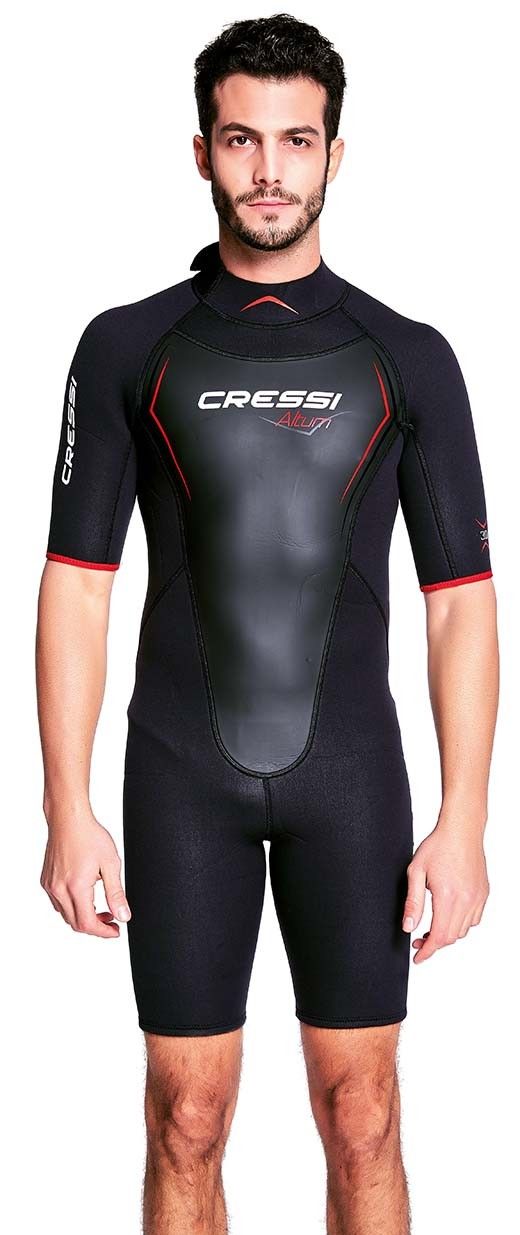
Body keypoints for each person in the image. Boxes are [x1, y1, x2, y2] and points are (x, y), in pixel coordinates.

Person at [35, 13, 499, 1235]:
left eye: (296, 140)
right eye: (242, 139)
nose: (269, 170)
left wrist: (464, 817)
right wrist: (66, 802)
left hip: (351, 774)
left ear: (335, 153)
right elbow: (77, 581)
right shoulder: (126, 346)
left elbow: (459, 602)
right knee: (184, 1117)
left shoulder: (408, 357)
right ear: (202, 151)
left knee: (364, 1114)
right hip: (177, 772)